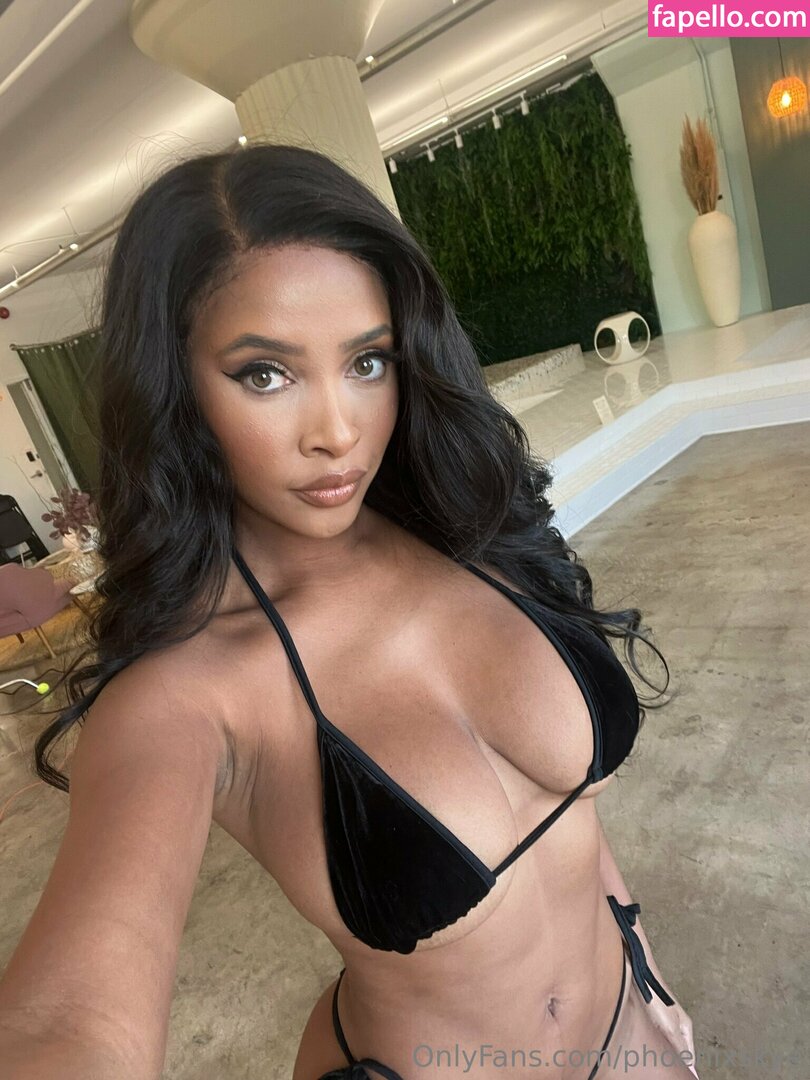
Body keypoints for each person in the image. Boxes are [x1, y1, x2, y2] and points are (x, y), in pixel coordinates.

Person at [0, 144, 698, 1080]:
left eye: (368, 361)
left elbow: (574, 823)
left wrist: (644, 964)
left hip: (637, 1036)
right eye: (265, 374)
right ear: (174, 388)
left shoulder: (469, 530)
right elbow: (68, 1022)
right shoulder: (187, 693)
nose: (338, 431)